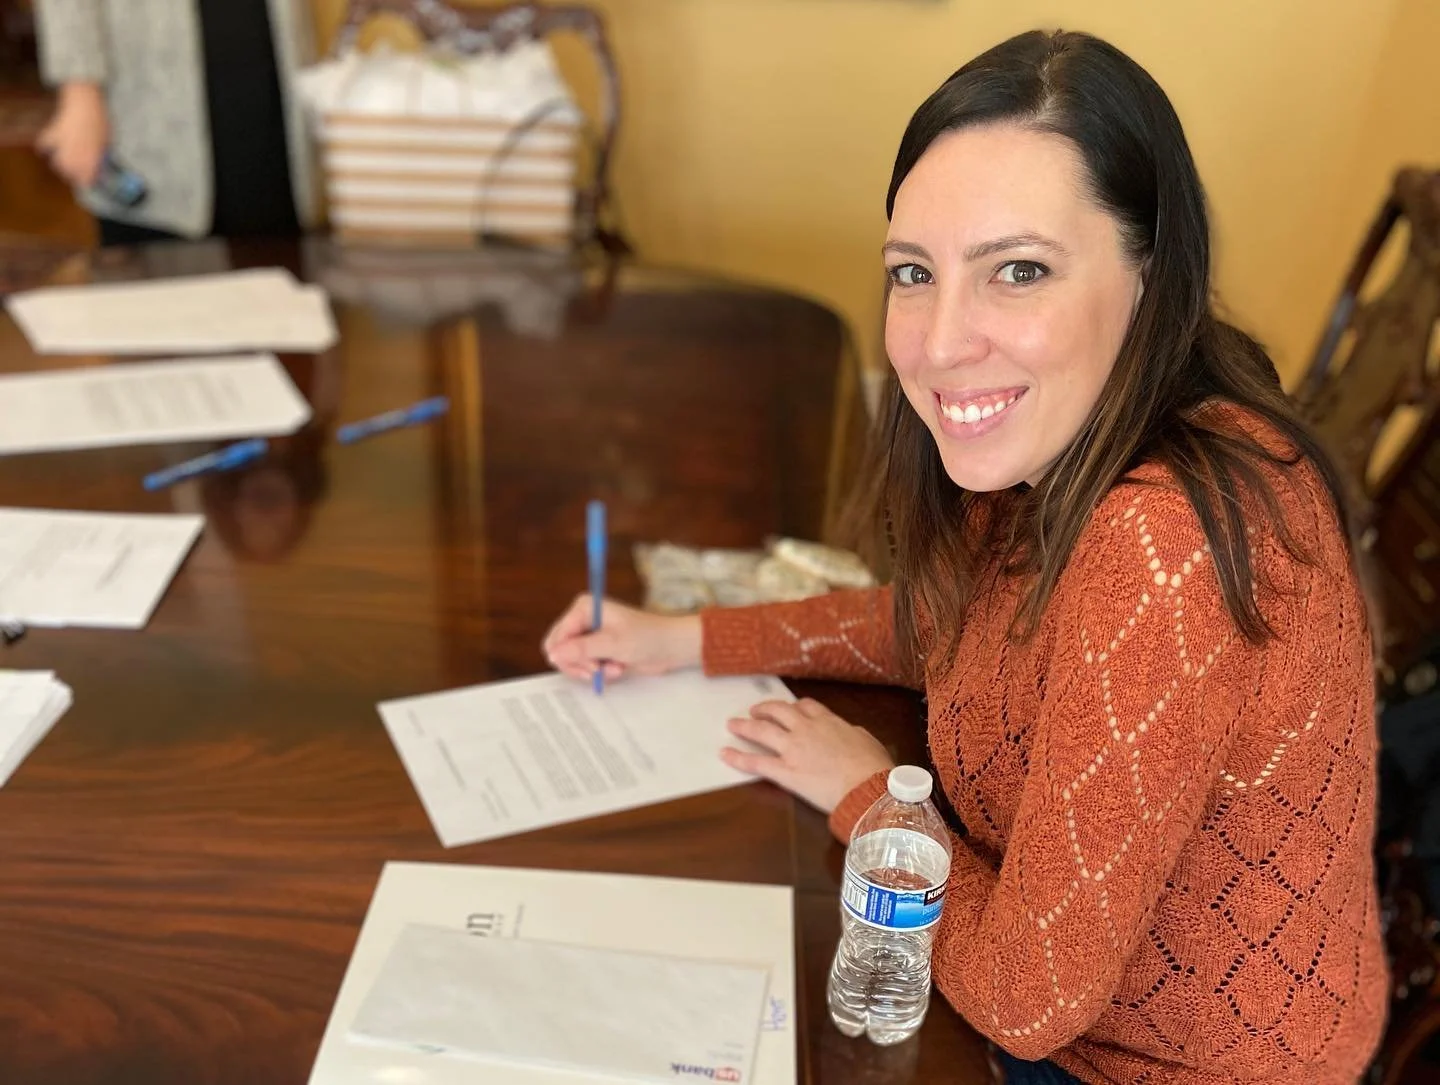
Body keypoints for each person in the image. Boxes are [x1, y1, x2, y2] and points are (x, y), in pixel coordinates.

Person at [543, 29, 1388, 1085]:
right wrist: (680, 638)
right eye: (913, 272)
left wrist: (870, 801)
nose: (938, 343)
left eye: (1018, 270)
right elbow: (949, 618)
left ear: (1151, 273)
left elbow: (1026, 996)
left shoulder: (1162, 540)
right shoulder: (1087, 443)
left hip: (1152, 1063)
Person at [31, 0, 319, 246]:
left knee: (273, 270)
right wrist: (80, 93)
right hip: (146, 88)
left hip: (267, 71)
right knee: (162, 279)